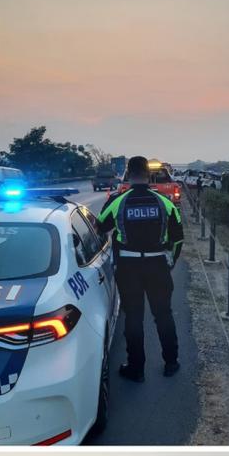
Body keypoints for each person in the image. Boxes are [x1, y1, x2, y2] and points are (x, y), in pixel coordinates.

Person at [95, 155, 183, 381]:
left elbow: (100, 227)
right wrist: (170, 262)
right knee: (163, 315)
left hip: (128, 267)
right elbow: (178, 238)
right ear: (148, 174)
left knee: (134, 317)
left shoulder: (118, 201)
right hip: (158, 265)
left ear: (127, 174)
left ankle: (136, 368)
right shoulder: (164, 202)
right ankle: (171, 363)